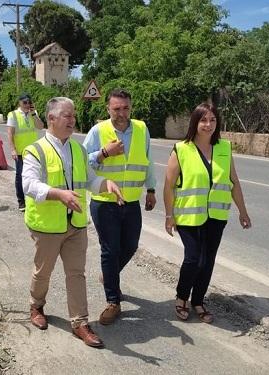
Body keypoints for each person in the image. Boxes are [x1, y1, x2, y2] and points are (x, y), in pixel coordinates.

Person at [22, 97, 124, 348]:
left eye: (73, 115)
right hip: (47, 226)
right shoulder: (36, 150)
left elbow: (89, 179)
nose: (72, 120)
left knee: (76, 274)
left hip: (75, 225)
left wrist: (105, 184)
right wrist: (59, 194)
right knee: (43, 272)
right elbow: (28, 184)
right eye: (66, 115)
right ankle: (36, 306)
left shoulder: (78, 149)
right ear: (52, 119)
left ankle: (80, 322)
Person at [163, 102, 251, 324]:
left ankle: (198, 301)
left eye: (213, 120)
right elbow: (169, 185)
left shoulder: (224, 148)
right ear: (195, 122)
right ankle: (182, 297)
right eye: (203, 120)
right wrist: (169, 215)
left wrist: (243, 211)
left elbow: (233, 182)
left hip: (216, 216)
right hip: (188, 215)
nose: (208, 124)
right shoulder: (181, 149)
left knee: (208, 260)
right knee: (194, 259)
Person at [83, 88, 157, 326]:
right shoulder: (98, 131)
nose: (122, 113)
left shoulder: (142, 129)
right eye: (117, 109)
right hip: (105, 202)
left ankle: (109, 276)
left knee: (131, 246)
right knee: (110, 249)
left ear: (130, 107)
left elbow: (148, 161)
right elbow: (82, 161)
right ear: (108, 109)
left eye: (125, 108)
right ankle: (113, 301)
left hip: (131, 200)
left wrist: (152, 189)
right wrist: (105, 153)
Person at [7, 93, 45, 212]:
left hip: (33, 151)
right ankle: (21, 201)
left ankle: (33, 198)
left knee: (35, 175)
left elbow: (40, 127)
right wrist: (13, 149)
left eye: (29, 102)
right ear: (19, 103)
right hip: (20, 152)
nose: (27, 104)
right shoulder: (13, 115)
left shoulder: (34, 113)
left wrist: (34, 114)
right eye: (25, 102)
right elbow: (10, 134)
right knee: (20, 176)